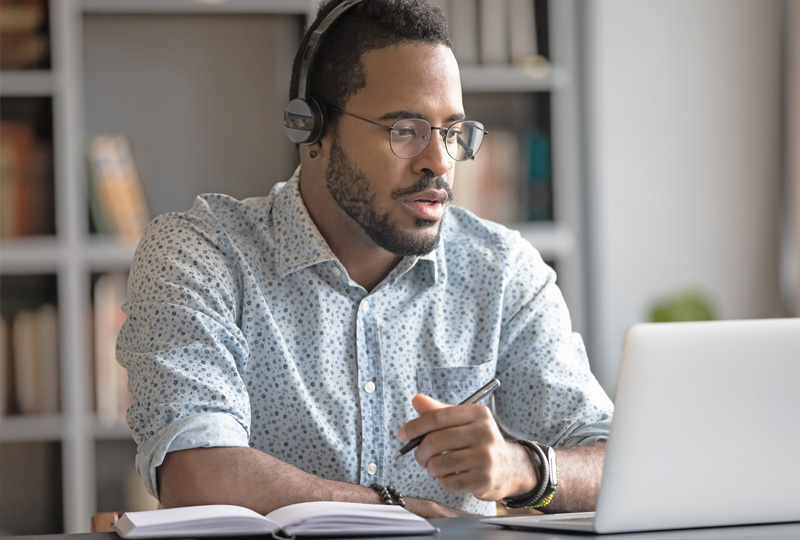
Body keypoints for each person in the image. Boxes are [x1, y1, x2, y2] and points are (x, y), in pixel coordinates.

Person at [117, 0, 613, 518]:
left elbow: (614, 463)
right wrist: (394, 510)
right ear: (311, 129)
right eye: (405, 129)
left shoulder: (502, 271)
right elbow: (197, 474)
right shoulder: (200, 255)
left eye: (452, 132)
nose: (439, 161)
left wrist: (525, 469)